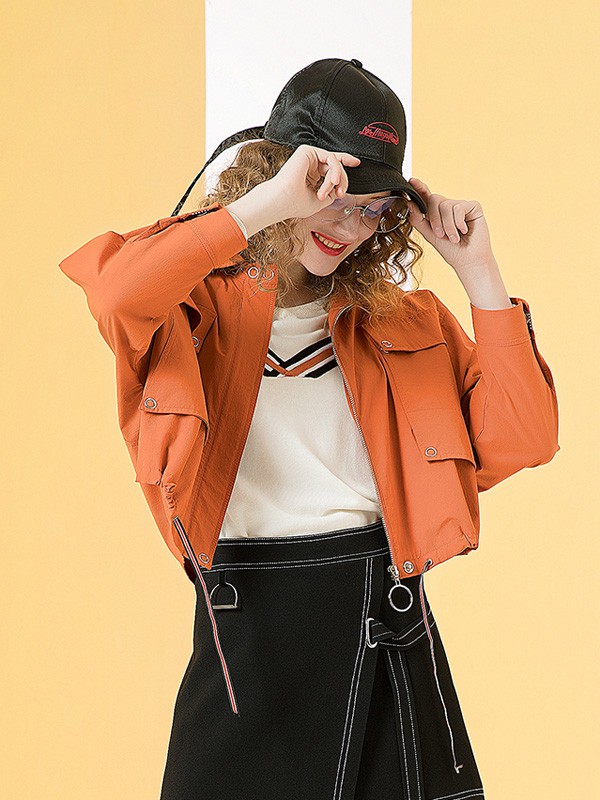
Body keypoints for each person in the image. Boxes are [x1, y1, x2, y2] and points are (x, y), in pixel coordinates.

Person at [59, 57, 560, 800]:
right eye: (333, 195)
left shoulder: (406, 322)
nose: (351, 226)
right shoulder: (193, 309)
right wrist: (263, 206)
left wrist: (479, 273)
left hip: (385, 625)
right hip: (245, 626)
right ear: (282, 174)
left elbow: (526, 437)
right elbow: (116, 295)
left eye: (373, 208)